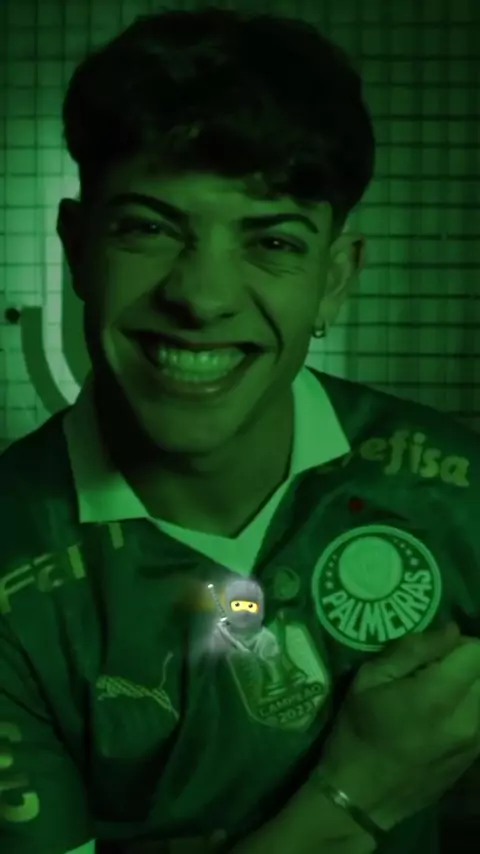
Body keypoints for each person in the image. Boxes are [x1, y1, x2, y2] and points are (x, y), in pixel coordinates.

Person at [1, 6, 479, 854]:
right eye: (149, 228)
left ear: (336, 279)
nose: (203, 296)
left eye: (274, 242)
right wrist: (357, 795)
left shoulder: (455, 489)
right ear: (76, 249)